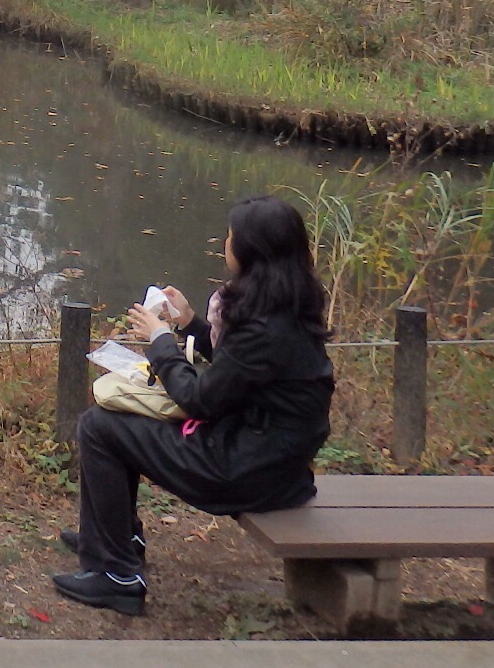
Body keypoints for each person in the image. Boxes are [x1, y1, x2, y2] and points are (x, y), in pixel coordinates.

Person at [51, 194, 336, 617]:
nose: (225, 243)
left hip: (242, 471)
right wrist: (191, 324)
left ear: (251, 251)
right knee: (114, 420)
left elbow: (200, 400)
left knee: (98, 426)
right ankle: (117, 539)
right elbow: (237, 375)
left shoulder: (266, 327)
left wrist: (161, 341)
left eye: (231, 237)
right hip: (276, 466)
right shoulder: (287, 309)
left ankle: (117, 576)